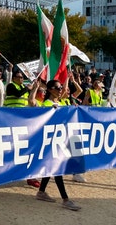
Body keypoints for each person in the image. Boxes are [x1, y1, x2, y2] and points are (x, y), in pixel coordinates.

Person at [35, 80, 81, 211]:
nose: (60, 89)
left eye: (61, 87)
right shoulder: (47, 104)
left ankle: (41, 192)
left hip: (59, 140)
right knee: (57, 169)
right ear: (49, 89)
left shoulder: (60, 103)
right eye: (57, 87)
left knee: (52, 167)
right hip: (50, 141)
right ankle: (65, 199)